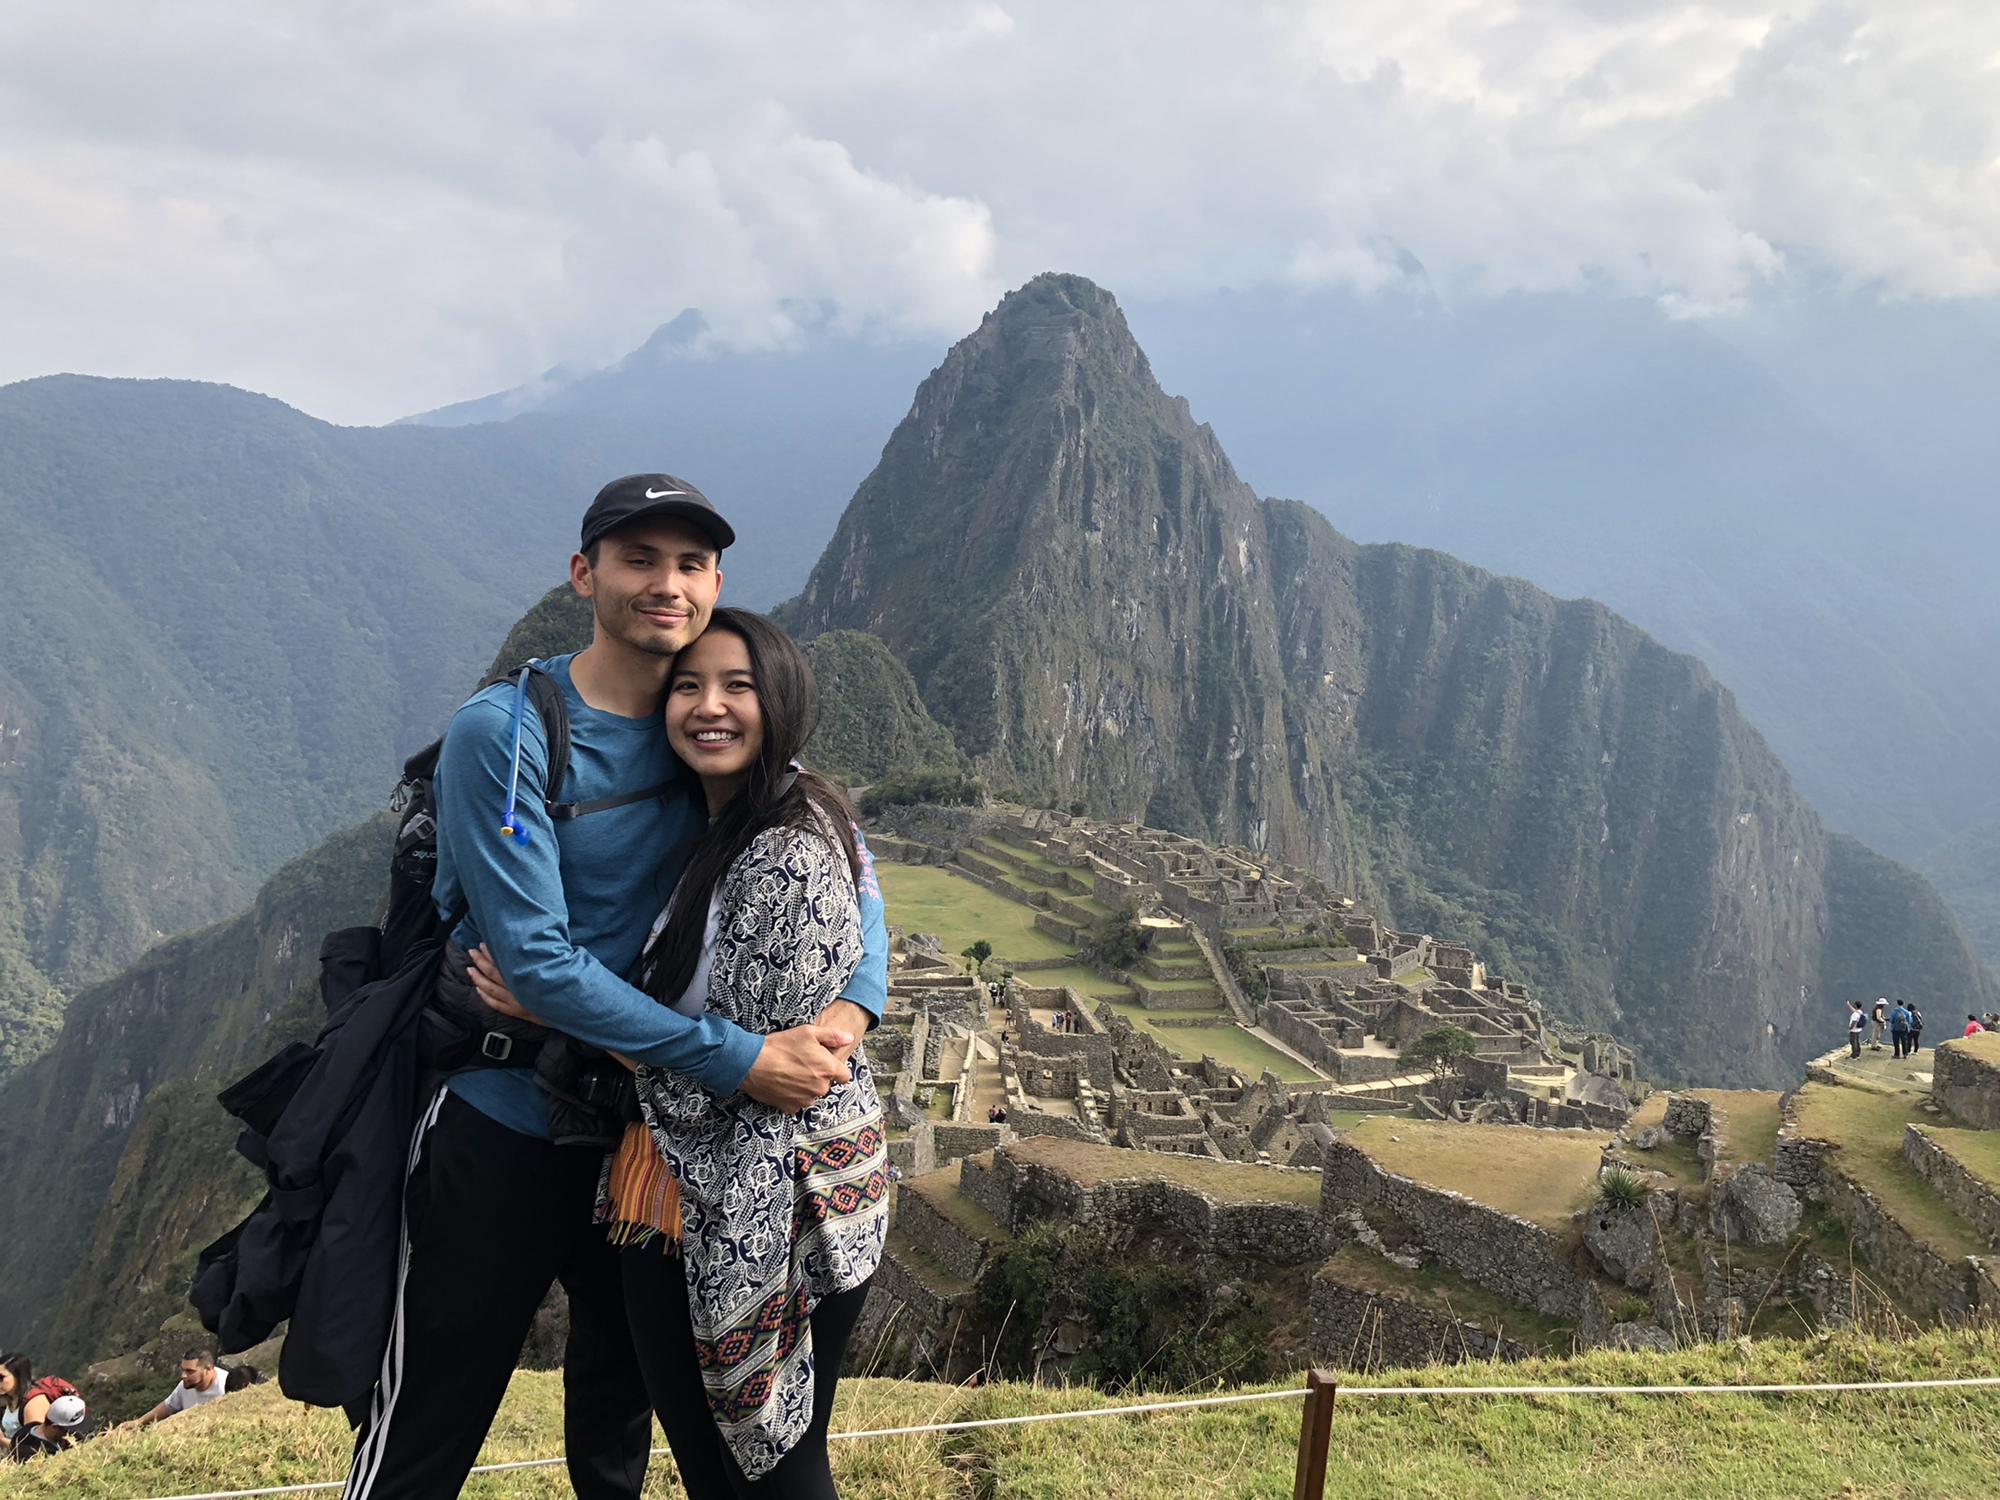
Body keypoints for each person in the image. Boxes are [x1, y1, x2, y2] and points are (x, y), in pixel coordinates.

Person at [342, 478, 888, 1500]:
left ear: (715, 581)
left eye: (689, 564)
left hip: (643, 1136)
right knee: (430, 1415)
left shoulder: (710, 723)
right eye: (638, 559)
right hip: (508, 1114)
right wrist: (742, 1059)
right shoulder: (509, 732)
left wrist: (852, 1010)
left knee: (617, 1414)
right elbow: (537, 964)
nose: (665, 584)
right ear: (583, 575)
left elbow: (845, 860)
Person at [471, 610, 888, 1498]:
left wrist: (557, 1013)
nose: (709, 706)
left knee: (763, 1469)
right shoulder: (729, 820)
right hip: (709, 1195)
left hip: (758, 1205)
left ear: (782, 701)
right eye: (688, 687)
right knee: (736, 1466)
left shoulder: (784, 857)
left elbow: (749, 1081)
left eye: (739, 687)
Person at [117, 1348, 230, 1431]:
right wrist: (138, 1423)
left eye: (190, 1371)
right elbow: (169, 1406)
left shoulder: (226, 1386)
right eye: (183, 1370)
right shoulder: (185, 1385)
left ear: (208, 1369)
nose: (183, 1375)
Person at [10, 1392, 87, 1461]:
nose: (72, 1434)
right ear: (54, 1427)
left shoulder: (33, 1426)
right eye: (67, 1431)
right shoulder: (29, 1452)